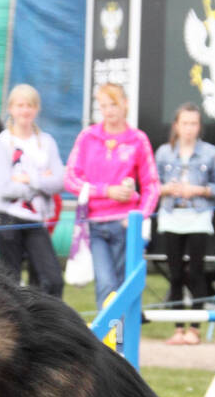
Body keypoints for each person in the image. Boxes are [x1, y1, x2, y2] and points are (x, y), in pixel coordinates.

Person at [65, 83, 160, 311]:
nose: (109, 111)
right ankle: (108, 343)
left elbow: (152, 185)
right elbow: (70, 178)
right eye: (104, 105)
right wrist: (105, 191)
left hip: (126, 225)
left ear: (125, 104)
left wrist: (140, 216)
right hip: (95, 226)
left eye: (114, 104)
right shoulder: (88, 137)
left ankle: (124, 343)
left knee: (124, 285)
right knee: (106, 283)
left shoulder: (138, 139)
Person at [154, 103, 215, 344]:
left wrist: (197, 190)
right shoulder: (164, 152)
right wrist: (168, 189)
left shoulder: (211, 153)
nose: (189, 128)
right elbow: (153, 184)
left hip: (198, 217)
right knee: (174, 274)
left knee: (195, 272)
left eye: (193, 123)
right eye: (184, 123)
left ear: (199, 126)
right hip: (171, 215)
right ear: (176, 126)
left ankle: (194, 328)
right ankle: (177, 328)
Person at [0, 84, 65, 297]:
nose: (25, 110)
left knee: (52, 280)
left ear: (37, 109)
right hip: (7, 218)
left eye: (29, 105)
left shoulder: (47, 142)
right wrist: (42, 182)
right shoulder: (2, 142)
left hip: (36, 219)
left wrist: (29, 179)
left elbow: (59, 182)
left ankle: (50, 327)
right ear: (11, 108)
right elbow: (4, 187)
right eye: (20, 105)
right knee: (10, 284)